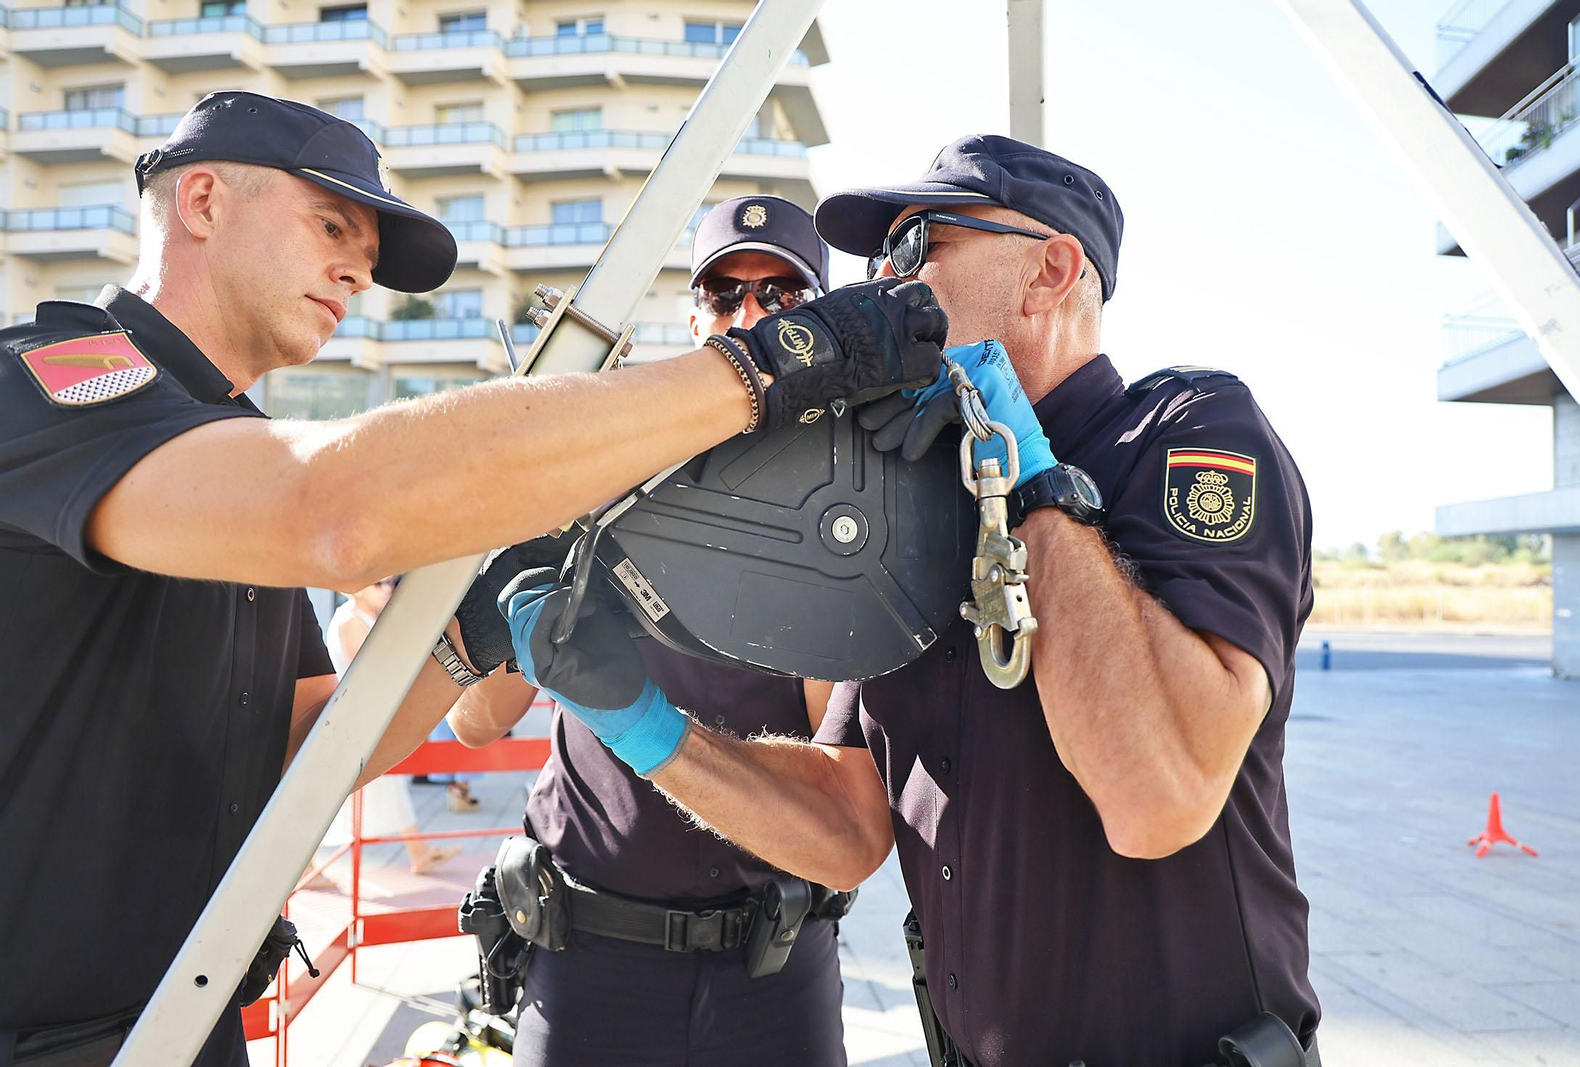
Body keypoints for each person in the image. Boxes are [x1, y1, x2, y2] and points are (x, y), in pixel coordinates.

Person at [0, 90, 947, 1067]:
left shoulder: (223, 443)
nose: (357, 273)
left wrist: (471, 631)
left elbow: (300, 746)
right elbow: (331, 509)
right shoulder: (50, 386)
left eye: (368, 254)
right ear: (201, 200)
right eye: (332, 226)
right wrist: (757, 368)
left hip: (181, 1019)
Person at [497, 135, 1321, 1066]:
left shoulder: (1187, 432)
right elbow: (849, 822)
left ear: (1051, 270)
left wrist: (1032, 483)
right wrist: (647, 728)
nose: (884, 283)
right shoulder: (921, 505)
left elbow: (1157, 797)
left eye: (918, 244)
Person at [448, 196, 850, 1067]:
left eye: (782, 296)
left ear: (819, 314)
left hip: (772, 967)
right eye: (725, 294)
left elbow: (842, 781)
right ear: (694, 313)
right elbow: (476, 719)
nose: (749, 316)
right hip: (587, 958)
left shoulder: (848, 509)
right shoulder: (606, 468)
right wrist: (531, 540)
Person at [319, 576, 460, 877]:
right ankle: (305, 863)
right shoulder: (350, 620)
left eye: (390, 582)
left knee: (379, 787)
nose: (388, 588)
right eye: (379, 583)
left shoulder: (364, 618)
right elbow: (371, 671)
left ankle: (418, 850)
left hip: (367, 719)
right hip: (358, 721)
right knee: (342, 797)